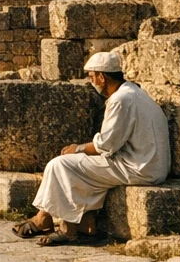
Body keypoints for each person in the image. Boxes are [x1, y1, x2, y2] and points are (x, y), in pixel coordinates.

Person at [15, 51, 170, 246]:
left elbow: (107, 145)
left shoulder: (120, 100)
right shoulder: (134, 92)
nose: (92, 82)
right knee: (77, 167)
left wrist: (78, 148)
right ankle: (65, 220)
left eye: (92, 77)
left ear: (102, 77)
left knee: (60, 165)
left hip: (140, 167)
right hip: (149, 163)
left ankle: (66, 229)